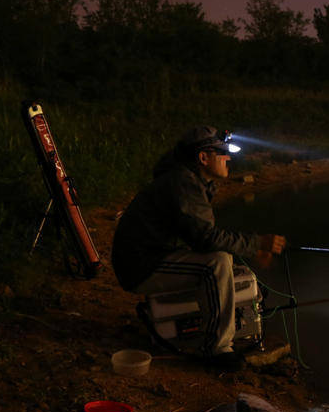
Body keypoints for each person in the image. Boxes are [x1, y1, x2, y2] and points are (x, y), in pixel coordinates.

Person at [111, 126, 286, 371]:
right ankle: (216, 350)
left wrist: (252, 249)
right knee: (216, 264)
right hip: (141, 266)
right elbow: (206, 239)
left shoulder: (187, 179)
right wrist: (257, 244)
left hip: (152, 257)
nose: (229, 158)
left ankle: (207, 333)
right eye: (222, 153)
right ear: (203, 158)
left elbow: (199, 236)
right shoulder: (183, 183)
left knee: (221, 262)